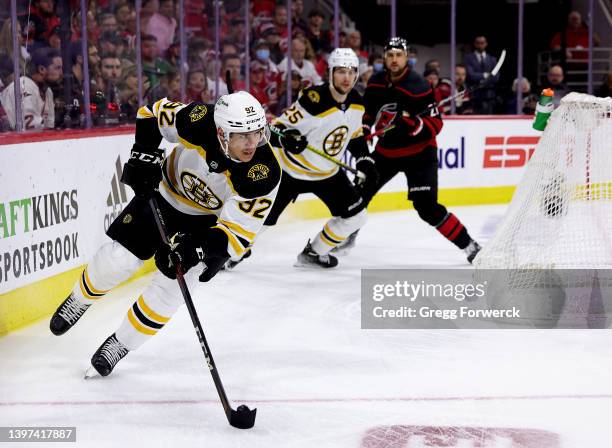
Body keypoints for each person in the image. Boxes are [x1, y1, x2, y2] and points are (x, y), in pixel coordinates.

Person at [49, 92, 281, 377]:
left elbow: (237, 234)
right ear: (221, 131)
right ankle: (80, 299)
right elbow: (151, 114)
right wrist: (143, 156)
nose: (252, 144)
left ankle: (120, 344)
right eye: (242, 136)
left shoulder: (264, 173)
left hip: (207, 226)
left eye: (257, 133)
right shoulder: (196, 120)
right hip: (164, 196)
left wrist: (196, 250)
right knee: (118, 260)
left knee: (170, 292)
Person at [231, 48, 377, 269]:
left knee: (357, 216)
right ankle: (229, 255)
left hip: (328, 174)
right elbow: (275, 129)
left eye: (351, 72)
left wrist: (364, 159)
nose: (346, 78)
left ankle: (313, 253)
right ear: (330, 73)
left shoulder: (357, 101)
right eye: (340, 71)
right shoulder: (313, 100)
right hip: (290, 171)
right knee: (261, 221)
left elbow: (354, 135)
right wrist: (288, 139)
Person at [359, 37, 481, 263]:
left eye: (399, 55)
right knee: (357, 197)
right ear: (385, 58)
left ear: (406, 58)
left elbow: (436, 125)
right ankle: (344, 237)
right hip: (386, 152)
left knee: (427, 208)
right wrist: (365, 127)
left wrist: (411, 124)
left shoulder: (420, 86)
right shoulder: (376, 81)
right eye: (390, 55)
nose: (394, 60)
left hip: (420, 154)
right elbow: (368, 111)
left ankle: (470, 246)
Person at [0, 47, 62, 130]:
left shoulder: (47, 91)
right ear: (41, 69)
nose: (61, 72)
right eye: (57, 68)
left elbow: (49, 127)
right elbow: (29, 127)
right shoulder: (24, 85)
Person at [464, 35, 499, 114]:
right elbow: (470, 75)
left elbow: (496, 77)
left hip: (489, 96)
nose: (480, 45)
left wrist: (480, 77)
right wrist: (486, 75)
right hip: (474, 95)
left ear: (486, 44)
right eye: (478, 43)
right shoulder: (468, 58)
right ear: (475, 44)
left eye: (482, 43)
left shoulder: (492, 59)